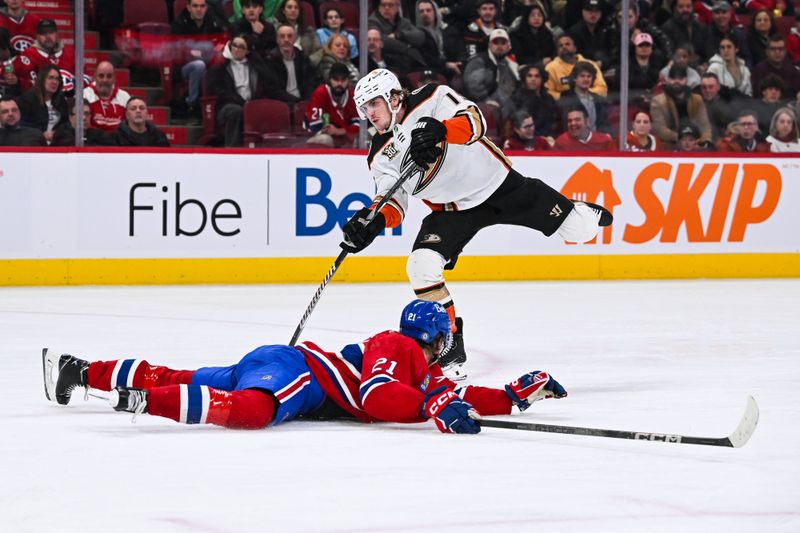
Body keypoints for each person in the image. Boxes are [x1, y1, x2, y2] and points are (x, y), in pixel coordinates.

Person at [344, 69, 613, 377]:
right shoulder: (379, 154)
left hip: (501, 186)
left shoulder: (432, 97)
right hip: (453, 210)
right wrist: (373, 222)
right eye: (363, 108)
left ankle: (577, 211)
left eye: (373, 104)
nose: (369, 113)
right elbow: (392, 199)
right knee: (420, 265)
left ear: (393, 97)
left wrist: (441, 130)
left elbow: (477, 122)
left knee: (581, 231)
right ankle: (448, 339)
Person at [42, 300, 568, 434]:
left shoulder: (422, 370)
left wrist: (515, 394)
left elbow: (454, 398)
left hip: (276, 361)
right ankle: (136, 401)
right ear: (433, 337)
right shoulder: (398, 346)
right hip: (299, 373)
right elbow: (376, 397)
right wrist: (432, 405)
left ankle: (83, 370)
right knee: (253, 411)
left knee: (181, 376)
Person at [207, 35, 275, 147]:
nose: (237, 49)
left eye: (241, 47)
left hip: (252, 103)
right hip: (228, 104)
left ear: (247, 51)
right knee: (236, 111)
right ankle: (232, 149)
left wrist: (256, 58)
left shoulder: (255, 67)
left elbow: (269, 81)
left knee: (268, 109)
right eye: (234, 46)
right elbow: (218, 91)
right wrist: (241, 102)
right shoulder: (221, 67)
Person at [171, 0, 227, 122]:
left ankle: (215, 107)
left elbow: (221, 41)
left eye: (202, 6)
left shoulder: (213, 22)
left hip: (208, 62)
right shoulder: (179, 24)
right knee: (198, 65)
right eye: (195, 6)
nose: (199, 9)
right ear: (189, 7)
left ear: (206, 8)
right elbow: (176, 49)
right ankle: (192, 105)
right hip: (183, 66)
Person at [462, 28, 519, 121]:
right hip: (483, 104)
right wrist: (486, 101)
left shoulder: (511, 64)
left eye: (503, 43)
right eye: (496, 42)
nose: (499, 46)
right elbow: (473, 88)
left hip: (508, 104)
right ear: (489, 45)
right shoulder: (479, 61)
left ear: (508, 46)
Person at [650, 65, 712, 148]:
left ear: (686, 80)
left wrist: (705, 140)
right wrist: (682, 139)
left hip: (695, 145)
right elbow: (659, 128)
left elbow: (704, 124)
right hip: (668, 145)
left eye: (680, 79)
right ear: (668, 79)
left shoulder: (697, 99)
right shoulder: (658, 101)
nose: (676, 81)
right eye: (673, 78)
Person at [11, 19, 77, 93]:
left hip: (68, 100)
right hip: (37, 101)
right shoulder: (29, 54)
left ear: (57, 34)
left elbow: (85, 77)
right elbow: (9, 67)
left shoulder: (69, 53)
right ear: (37, 36)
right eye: (43, 33)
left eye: (51, 32)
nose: (48, 36)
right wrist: (12, 77)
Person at [305, 61, 359, 147]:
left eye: (343, 80)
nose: (339, 84)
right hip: (314, 137)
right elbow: (315, 126)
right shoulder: (320, 93)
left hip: (342, 137)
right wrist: (344, 131)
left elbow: (358, 125)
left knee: (361, 139)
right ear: (329, 80)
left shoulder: (352, 95)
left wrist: (339, 131)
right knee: (325, 139)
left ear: (348, 81)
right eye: (336, 79)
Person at [369, 0, 427, 74]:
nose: (386, 8)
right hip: (387, 61)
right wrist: (408, 47)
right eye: (383, 5)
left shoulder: (403, 22)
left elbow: (420, 36)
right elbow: (382, 40)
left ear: (397, 7)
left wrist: (398, 35)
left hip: (407, 61)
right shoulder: (373, 21)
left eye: (390, 5)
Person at [264, 23, 316, 104]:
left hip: (303, 101)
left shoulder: (303, 58)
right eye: (282, 36)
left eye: (289, 36)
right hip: (281, 103)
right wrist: (296, 101)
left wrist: (305, 101)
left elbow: (310, 83)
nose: (286, 39)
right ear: (277, 39)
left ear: (295, 39)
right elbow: (273, 90)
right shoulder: (270, 60)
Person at [16, 63, 67, 143]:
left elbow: (66, 124)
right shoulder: (27, 99)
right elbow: (23, 125)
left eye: (57, 79)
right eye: (51, 78)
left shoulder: (60, 100)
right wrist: (40, 134)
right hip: (33, 142)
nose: (54, 82)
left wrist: (56, 133)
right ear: (42, 79)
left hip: (56, 142)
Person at [545, 34, 607, 99]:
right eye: (560, 45)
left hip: (590, 101)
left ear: (575, 48)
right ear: (557, 51)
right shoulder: (550, 68)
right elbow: (547, 92)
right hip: (564, 105)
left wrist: (582, 94)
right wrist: (566, 98)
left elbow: (602, 88)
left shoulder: (590, 64)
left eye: (567, 44)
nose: (564, 47)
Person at [556, 60, 610, 133]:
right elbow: (565, 124)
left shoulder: (598, 99)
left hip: (597, 140)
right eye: (582, 76)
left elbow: (604, 124)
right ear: (575, 78)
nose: (586, 79)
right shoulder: (566, 97)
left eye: (589, 76)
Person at [511, 63, 558, 137]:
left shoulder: (549, 98)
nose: (533, 79)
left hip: (549, 137)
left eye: (537, 76)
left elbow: (554, 121)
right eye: (529, 76)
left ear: (542, 79)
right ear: (524, 78)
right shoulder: (517, 98)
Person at [82, 60, 131, 132]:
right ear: (95, 76)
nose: (105, 80)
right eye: (101, 76)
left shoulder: (125, 97)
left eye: (109, 76)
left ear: (114, 77)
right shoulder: (84, 95)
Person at [658, 0, 710, 66]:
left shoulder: (701, 27)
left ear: (692, 8)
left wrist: (705, 64)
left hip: (699, 66)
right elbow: (668, 53)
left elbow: (707, 51)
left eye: (688, 6)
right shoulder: (667, 28)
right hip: (677, 67)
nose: (685, 10)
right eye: (681, 7)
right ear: (675, 8)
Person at [751, 35, 800, 102]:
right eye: (773, 49)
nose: (777, 52)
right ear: (767, 52)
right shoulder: (758, 70)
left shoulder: (792, 70)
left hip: (790, 106)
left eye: (780, 49)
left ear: (785, 51)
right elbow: (757, 95)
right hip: (765, 107)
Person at [51, 97, 116, 146]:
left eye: (87, 114)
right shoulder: (62, 134)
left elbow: (112, 146)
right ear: (70, 117)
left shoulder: (97, 134)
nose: (84, 118)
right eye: (79, 114)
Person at [567, 0, 613, 68]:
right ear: (583, 11)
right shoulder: (574, 32)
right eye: (590, 11)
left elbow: (610, 53)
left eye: (597, 11)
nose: (593, 14)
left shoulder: (604, 30)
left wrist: (602, 62)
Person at [508, 2, 555, 68]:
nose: (536, 18)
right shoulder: (517, 36)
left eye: (539, 15)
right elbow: (517, 57)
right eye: (533, 15)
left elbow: (551, 54)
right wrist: (539, 62)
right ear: (527, 18)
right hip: (523, 67)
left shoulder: (548, 35)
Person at [697, 72, 736, 141]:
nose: (707, 90)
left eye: (711, 87)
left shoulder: (728, 107)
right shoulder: (696, 105)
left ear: (718, 87)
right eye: (704, 87)